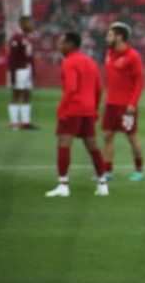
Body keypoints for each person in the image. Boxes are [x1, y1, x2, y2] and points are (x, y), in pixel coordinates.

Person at [45, 32, 107, 197]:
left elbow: (71, 88)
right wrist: (94, 108)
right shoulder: (90, 62)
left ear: (70, 44)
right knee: (92, 145)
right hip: (88, 108)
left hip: (73, 108)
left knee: (64, 143)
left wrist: (61, 108)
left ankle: (63, 185)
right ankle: (102, 184)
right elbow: (99, 89)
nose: (59, 46)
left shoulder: (69, 62)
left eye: (62, 43)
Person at [101, 22, 145, 182]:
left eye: (110, 35)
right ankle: (107, 171)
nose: (107, 38)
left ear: (119, 37)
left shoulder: (133, 56)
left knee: (132, 137)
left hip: (126, 106)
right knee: (107, 136)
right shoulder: (109, 53)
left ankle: (139, 170)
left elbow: (139, 82)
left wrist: (133, 103)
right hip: (111, 104)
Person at [7, 15, 38, 130]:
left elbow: (30, 57)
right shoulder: (16, 38)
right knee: (16, 94)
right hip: (19, 70)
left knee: (27, 94)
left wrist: (33, 70)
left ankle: (26, 122)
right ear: (23, 24)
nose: (32, 25)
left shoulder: (29, 37)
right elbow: (12, 58)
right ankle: (14, 122)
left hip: (27, 69)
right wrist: (13, 73)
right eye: (30, 23)